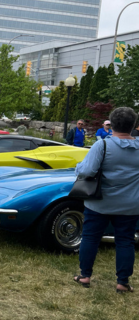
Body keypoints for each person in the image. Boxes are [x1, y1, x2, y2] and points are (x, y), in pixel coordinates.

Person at [73, 107, 139, 293]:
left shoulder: (102, 145)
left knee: (91, 238)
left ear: (112, 124)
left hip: (99, 203)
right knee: (125, 241)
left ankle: (85, 276)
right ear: (132, 125)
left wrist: (78, 167)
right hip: (130, 205)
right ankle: (122, 282)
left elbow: (87, 171)